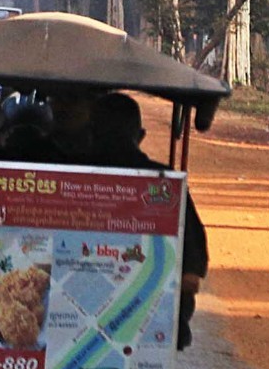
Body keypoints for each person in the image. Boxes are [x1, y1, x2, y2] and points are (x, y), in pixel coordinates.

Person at [81, 91, 209, 349]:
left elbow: (191, 274)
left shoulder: (69, 178)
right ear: (140, 137)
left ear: (89, 135)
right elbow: (195, 264)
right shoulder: (164, 186)